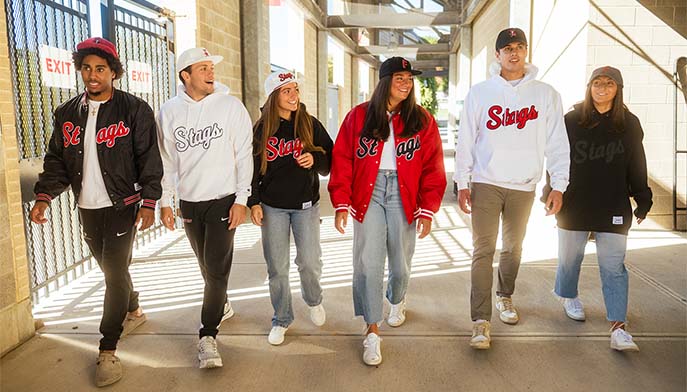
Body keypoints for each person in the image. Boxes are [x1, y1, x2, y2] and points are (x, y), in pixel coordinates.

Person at [29, 37, 162, 387]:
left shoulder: (135, 109)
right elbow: (56, 160)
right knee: (111, 269)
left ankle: (107, 348)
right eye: (86, 68)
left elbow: (149, 159)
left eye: (100, 69)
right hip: (87, 207)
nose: (92, 75)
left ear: (113, 73)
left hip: (123, 205)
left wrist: (149, 202)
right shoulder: (67, 113)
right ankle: (133, 308)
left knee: (113, 273)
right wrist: (44, 196)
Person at [453, 28, 570, 350]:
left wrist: (558, 184)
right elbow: (466, 139)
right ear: (498, 55)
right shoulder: (481, 93)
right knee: (483, 250)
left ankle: (505, 297)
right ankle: (480, 320)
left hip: (524, 185)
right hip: (487, 181)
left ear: (526, 51)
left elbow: (558, 143)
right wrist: (463, 182)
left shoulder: (545, 94)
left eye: (519, 47)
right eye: (508, 48)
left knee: (514, 248)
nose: (514, 53)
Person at [328, 57, 446, 365]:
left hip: (405, 194)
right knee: (369, 262)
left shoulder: (422, 119)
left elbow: (433, 166)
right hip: (369, 191)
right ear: (384, 83)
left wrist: (428, 208)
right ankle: (371, 331)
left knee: (400, 263)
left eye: (409, 79)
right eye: (400, 78)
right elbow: (342, 158)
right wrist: (341, 200)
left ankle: (397, 298)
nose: (406, 84)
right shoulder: (360, 116)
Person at [156, 47, 253, 368]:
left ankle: (207, 336)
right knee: (206, 266)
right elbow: (167, 162)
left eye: (211, 68)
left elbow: (243, 155)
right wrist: (166, 202)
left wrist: (242, 199)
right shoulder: (169, 111)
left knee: (216, 268)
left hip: (224, 200)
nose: (211, 73)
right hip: (189, 204)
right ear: (185, 75)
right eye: (203, 68)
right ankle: (221, 303)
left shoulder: (230, 106)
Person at [554, 66, 652, 352]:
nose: (602, 88)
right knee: (570, 258)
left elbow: (638, 163)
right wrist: (553, 190)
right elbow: (558, 158)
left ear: (617, 89)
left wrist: (642, 197)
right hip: (575, 201)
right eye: (597, 83)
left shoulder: (629, 123)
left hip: (613, 203)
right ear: (589, 87)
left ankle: (618, 327)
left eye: (609, 84)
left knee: (614, 266)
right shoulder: (572, 120)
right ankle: (568, 295)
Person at [248, 71, 333, 345]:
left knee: (309, 262)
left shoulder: (309, 123)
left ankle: (313, 299)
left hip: (306, 205)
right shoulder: (262, 129)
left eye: (295, 89)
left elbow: (330, 157)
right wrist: (254, 202)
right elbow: (251, 168)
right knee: (277, 267)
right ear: (274, 96)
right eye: (287, 91)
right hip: (273, 207)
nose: (294, 95)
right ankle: (282, 317)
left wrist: (314, 158)